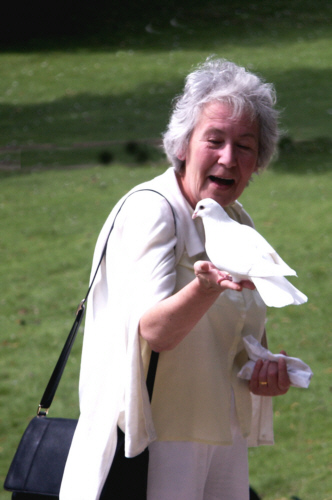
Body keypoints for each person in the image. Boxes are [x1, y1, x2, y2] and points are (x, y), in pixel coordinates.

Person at [60, 57, 291, 500]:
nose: (228, 157)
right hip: (158, 444)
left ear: (258, 159)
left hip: (223, 438)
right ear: (184, 145)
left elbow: (234, 344)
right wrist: (204, 287)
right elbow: (154, 331)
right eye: (215, 139)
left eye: (245, 145)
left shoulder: (237, 221)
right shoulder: (153, 209)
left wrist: (261, 372)